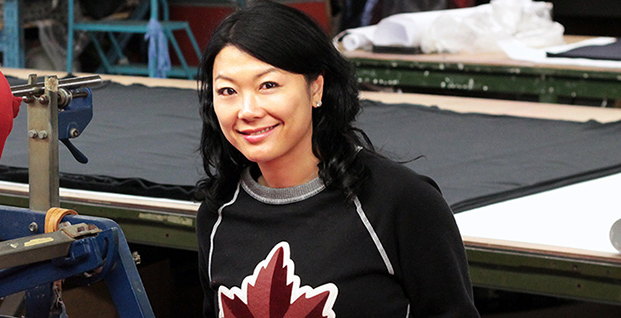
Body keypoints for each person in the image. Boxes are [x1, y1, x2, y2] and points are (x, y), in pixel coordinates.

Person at [194, 1, 479, 317]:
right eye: (227, 91)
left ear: (316, 88)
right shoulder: (217, 214)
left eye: (268, 85)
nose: (247, 110)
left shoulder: (400, 203)